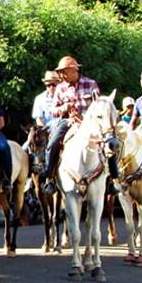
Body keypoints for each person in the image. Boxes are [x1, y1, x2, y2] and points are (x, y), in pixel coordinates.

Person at [41, 55, 101, 195]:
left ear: (74, 70)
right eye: (60, 72)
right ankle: (50, 177)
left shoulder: (91, 84)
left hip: (89, 121)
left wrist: (84, 117)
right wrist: (65, 108)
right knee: (53, 142)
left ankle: (113, 178)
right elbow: (53, 110)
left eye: (64, 72)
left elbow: (98, 106)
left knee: (107, 140)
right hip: (68, 121)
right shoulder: (60, 88)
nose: (61, 75)